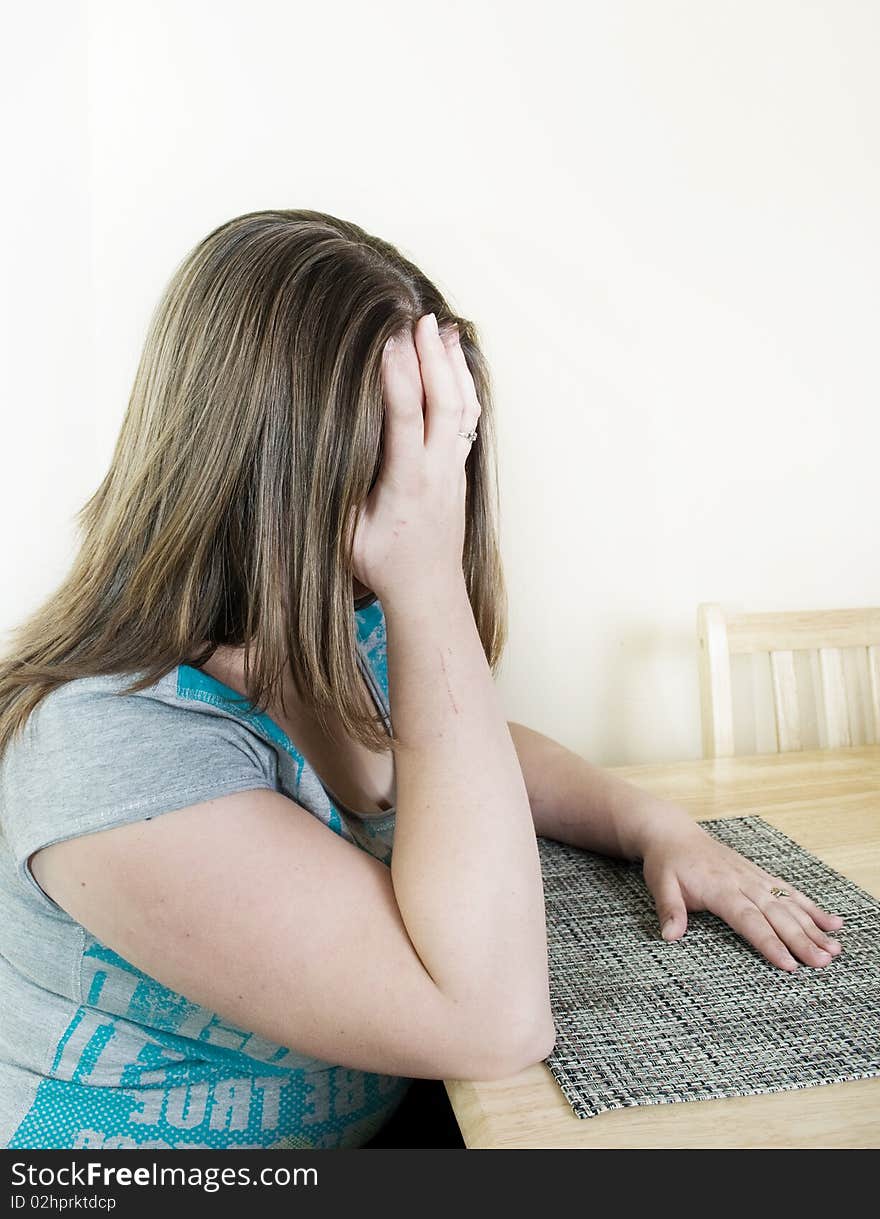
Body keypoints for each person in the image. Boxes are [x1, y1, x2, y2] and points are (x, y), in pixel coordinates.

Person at [0, 210, 844, 1151]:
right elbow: (494, 1020)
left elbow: (464, 754)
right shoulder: (106, 746)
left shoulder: (322, 620)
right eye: (415, 443)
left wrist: (661, 828)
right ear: (278, 460)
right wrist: (428, 572)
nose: (439, 479)